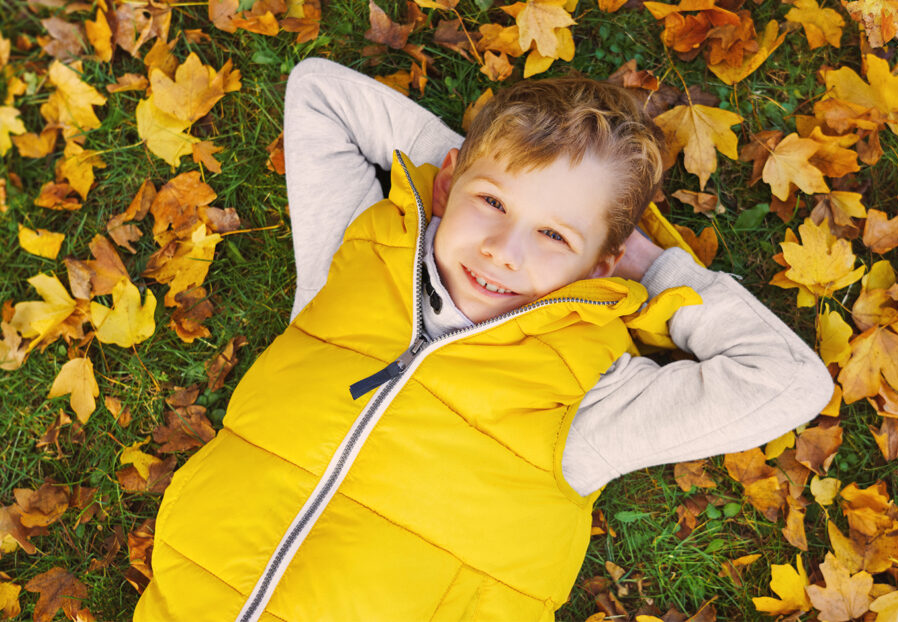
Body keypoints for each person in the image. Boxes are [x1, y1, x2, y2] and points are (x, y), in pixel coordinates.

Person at [133, 57, 836, 620]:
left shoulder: (589, 400)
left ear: (599, 264)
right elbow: (320, 92)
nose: (502, 249)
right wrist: (475, 164)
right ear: (444, 190)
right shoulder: (350, 266)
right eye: (493, 203)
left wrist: (654, 268)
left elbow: (788, 380)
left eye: (554, 234)